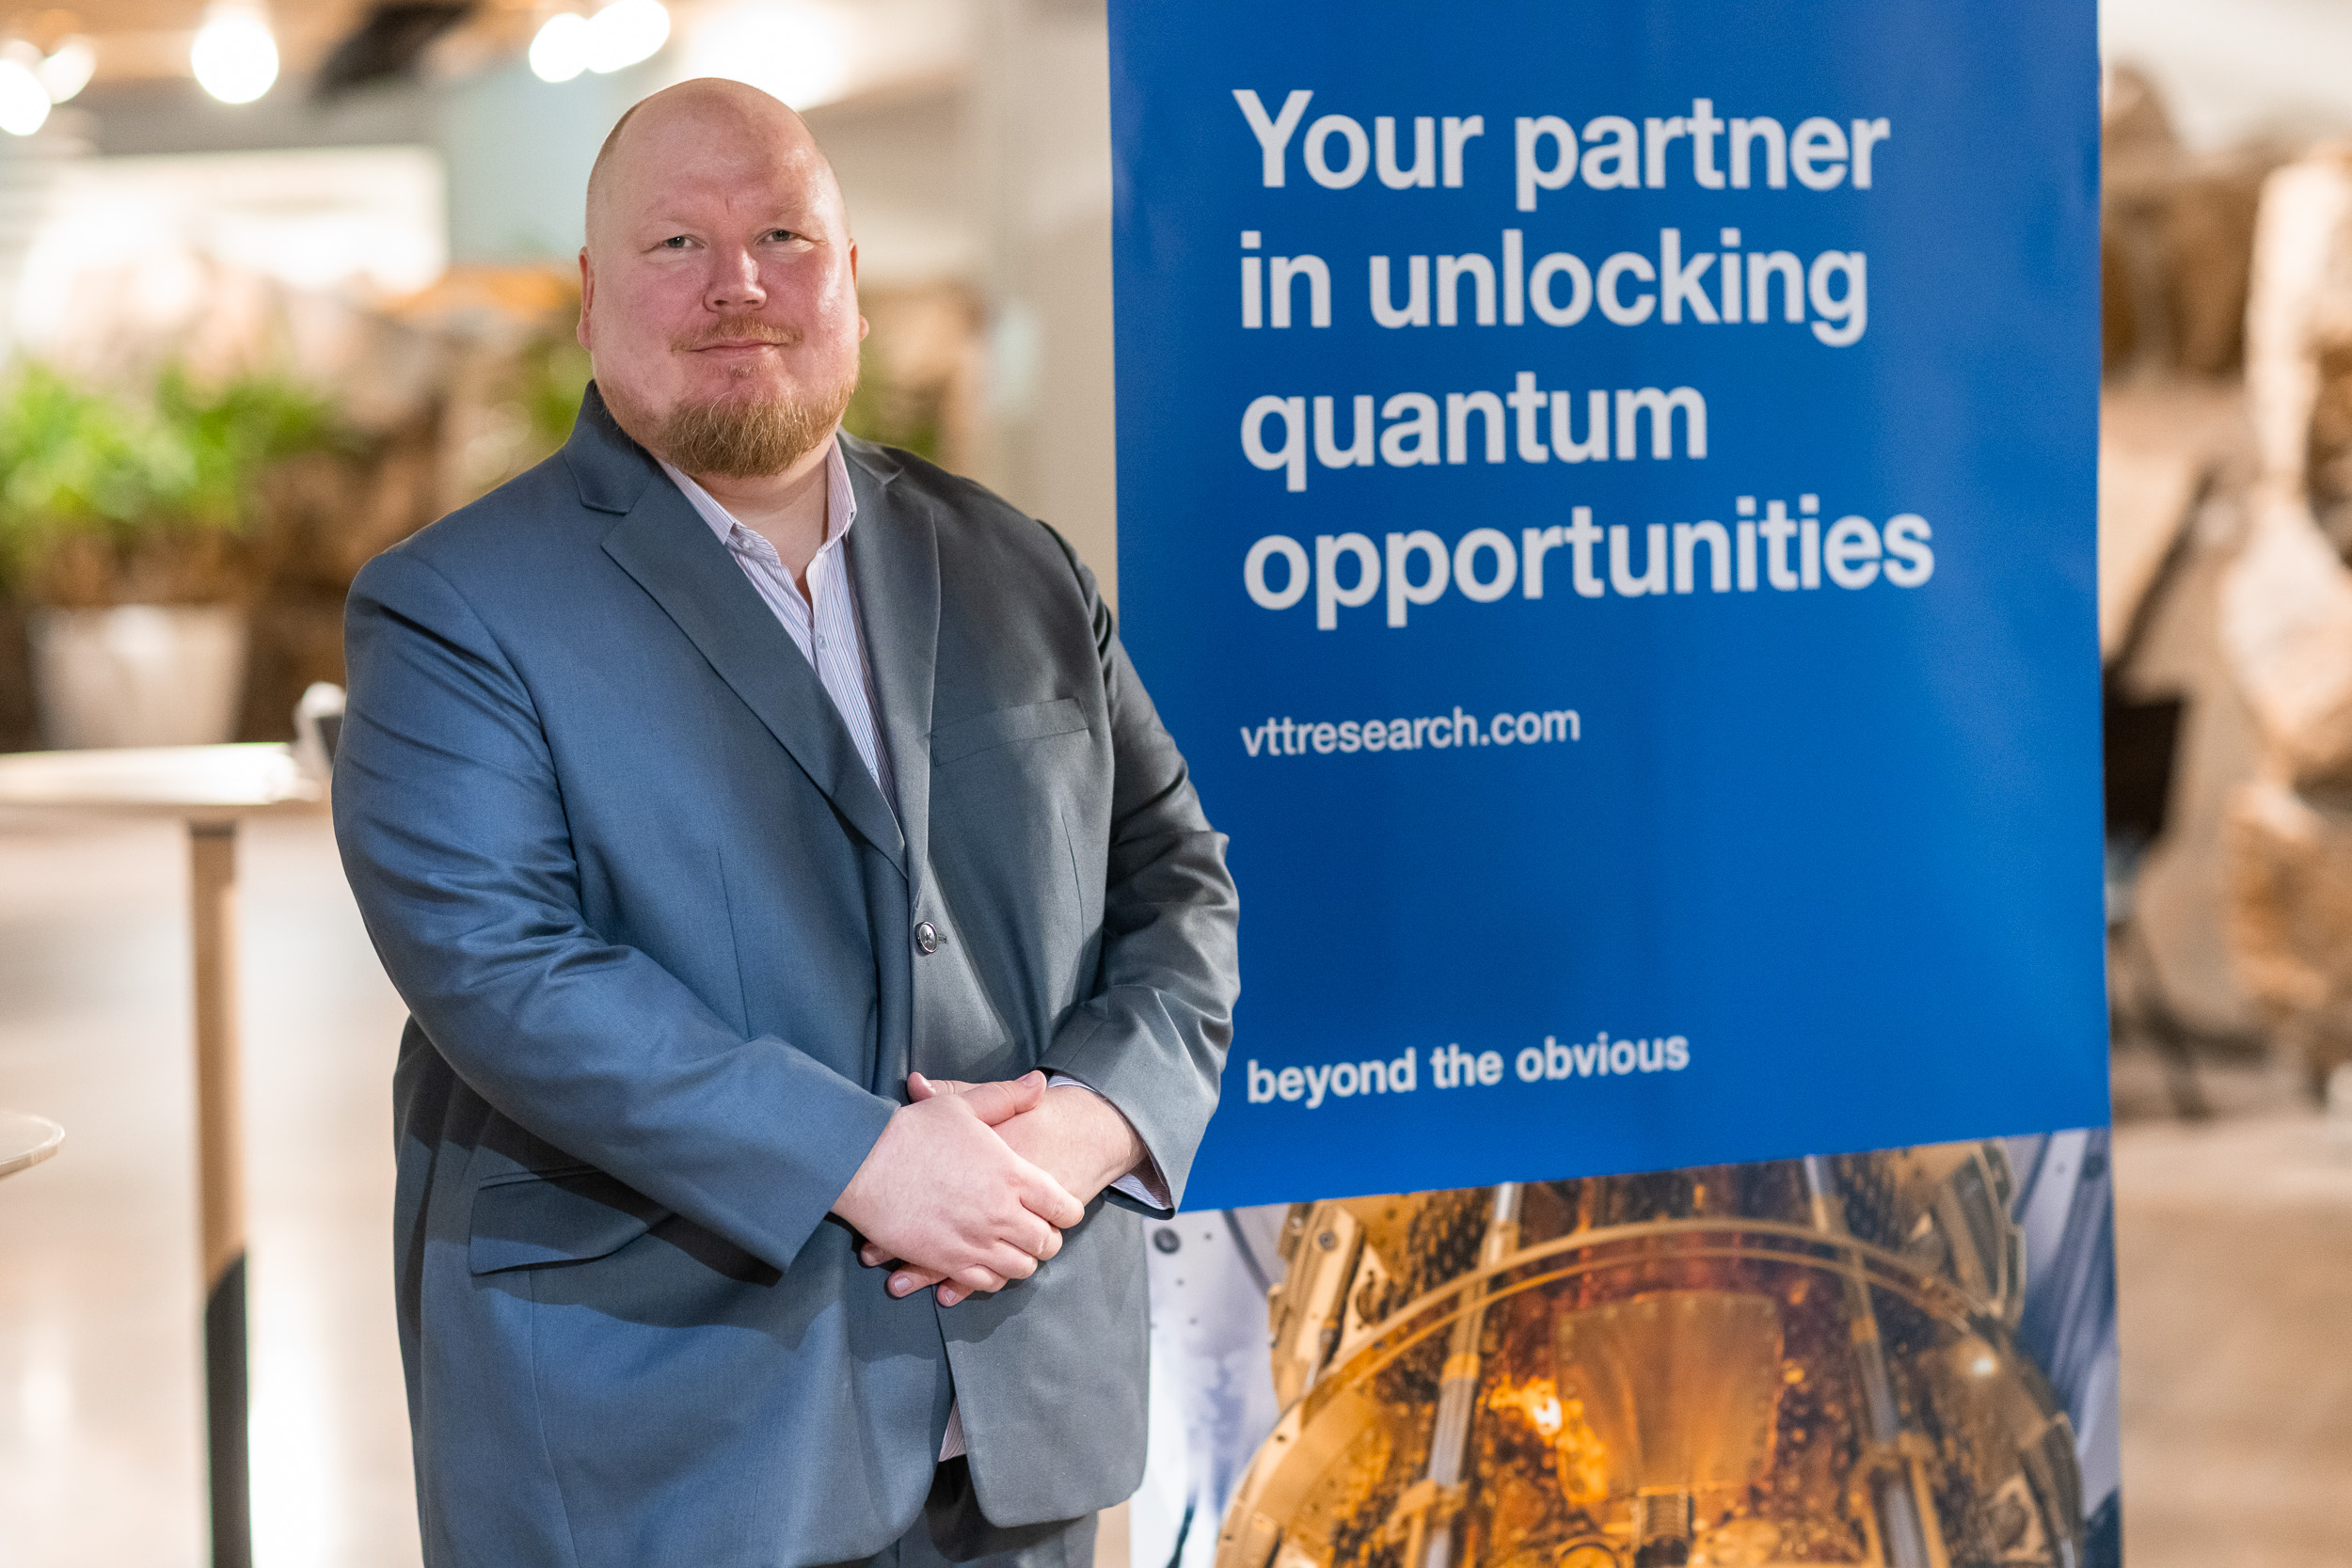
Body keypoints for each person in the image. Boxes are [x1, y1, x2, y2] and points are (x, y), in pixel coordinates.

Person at [332, 77, 1238, 1568]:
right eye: (677, 242)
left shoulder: (1019, 566)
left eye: (783, 236)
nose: (738, 283)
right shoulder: (454, 610)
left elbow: (1179, 884)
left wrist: (1094, 1125)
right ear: (591, 298)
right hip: (672, 1440)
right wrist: (865, 1160)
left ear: (852, 282)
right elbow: (504, 969)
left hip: (1019, 1420)